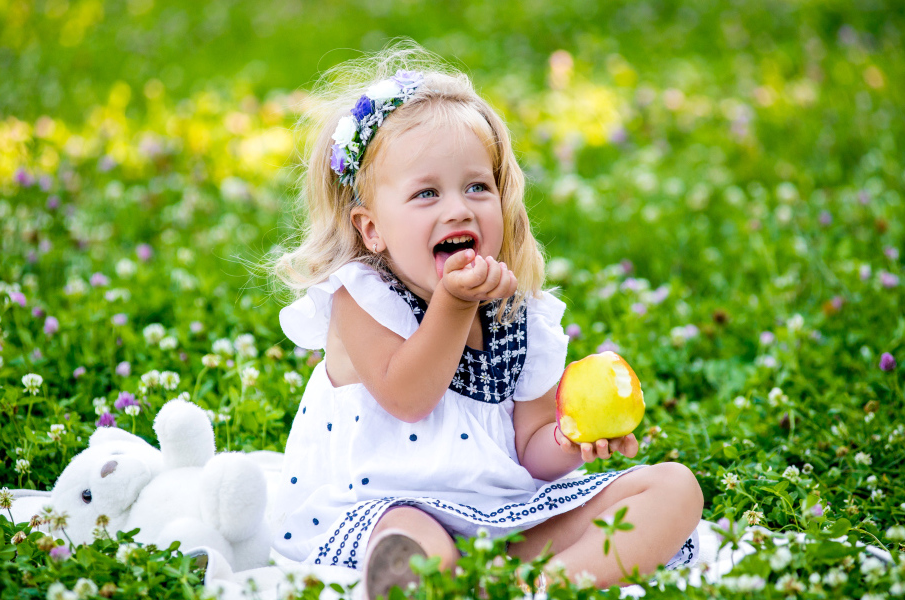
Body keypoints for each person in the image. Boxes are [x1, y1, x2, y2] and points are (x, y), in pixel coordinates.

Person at [271, 45, 703, 597]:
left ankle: (536, 583)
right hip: (390, 505)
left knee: (674, 488)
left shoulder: (520, 314)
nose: (458, 208)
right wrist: (453, 305)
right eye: (427, 193)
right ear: (371, 228)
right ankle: (428, 576)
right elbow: (407, 396)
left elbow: (531, 451)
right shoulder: (362, 296)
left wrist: (571, 440)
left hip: (507, 519)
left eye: (477, 186)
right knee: (410, 537)